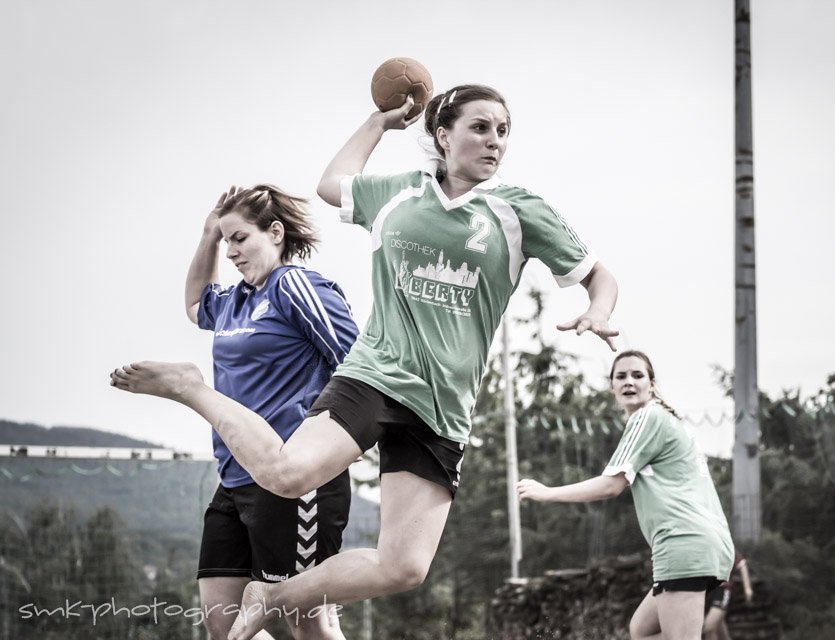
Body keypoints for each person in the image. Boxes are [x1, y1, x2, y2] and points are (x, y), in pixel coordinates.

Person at [110, 84, 618, 640]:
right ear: (443, 136)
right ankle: (190, 388)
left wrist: (598, 308)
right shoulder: (400, 194)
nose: (494, 141)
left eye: (502, 130)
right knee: (286, 473)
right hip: (374, 375)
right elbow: (331, 184)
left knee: (403, 568)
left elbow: (599, 274)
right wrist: (381, 122)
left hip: (443, 405)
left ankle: (272, 595)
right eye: (480, 127)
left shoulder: (520, 210)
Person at [184, 185, 359, 640]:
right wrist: (207, 236)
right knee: (222, 621)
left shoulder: (294, 286)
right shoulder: (233, 300)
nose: (232, 251)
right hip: (235, 477)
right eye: (227, 242)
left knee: (309, 624)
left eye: (240, 238)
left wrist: (346, 439)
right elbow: (193, 306)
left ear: (275, 232)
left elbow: (358, 363)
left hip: (293, 478)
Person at [516, 350, 734, 640]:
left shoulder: (647, 417)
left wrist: (547, 493)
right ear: (612, 387)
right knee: (641, 631)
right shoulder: (663, 420)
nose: (629, 381)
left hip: (684, 543)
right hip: (705, 545)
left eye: (637, 375)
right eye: (621, 376)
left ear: (652, 384)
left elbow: (611, 485)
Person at [703, 551, 753, 640]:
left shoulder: (725, 542)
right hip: (707, 591)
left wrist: (747, 588)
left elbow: (742, 565)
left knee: (709, 628)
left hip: (722, 591)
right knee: (720, 629)